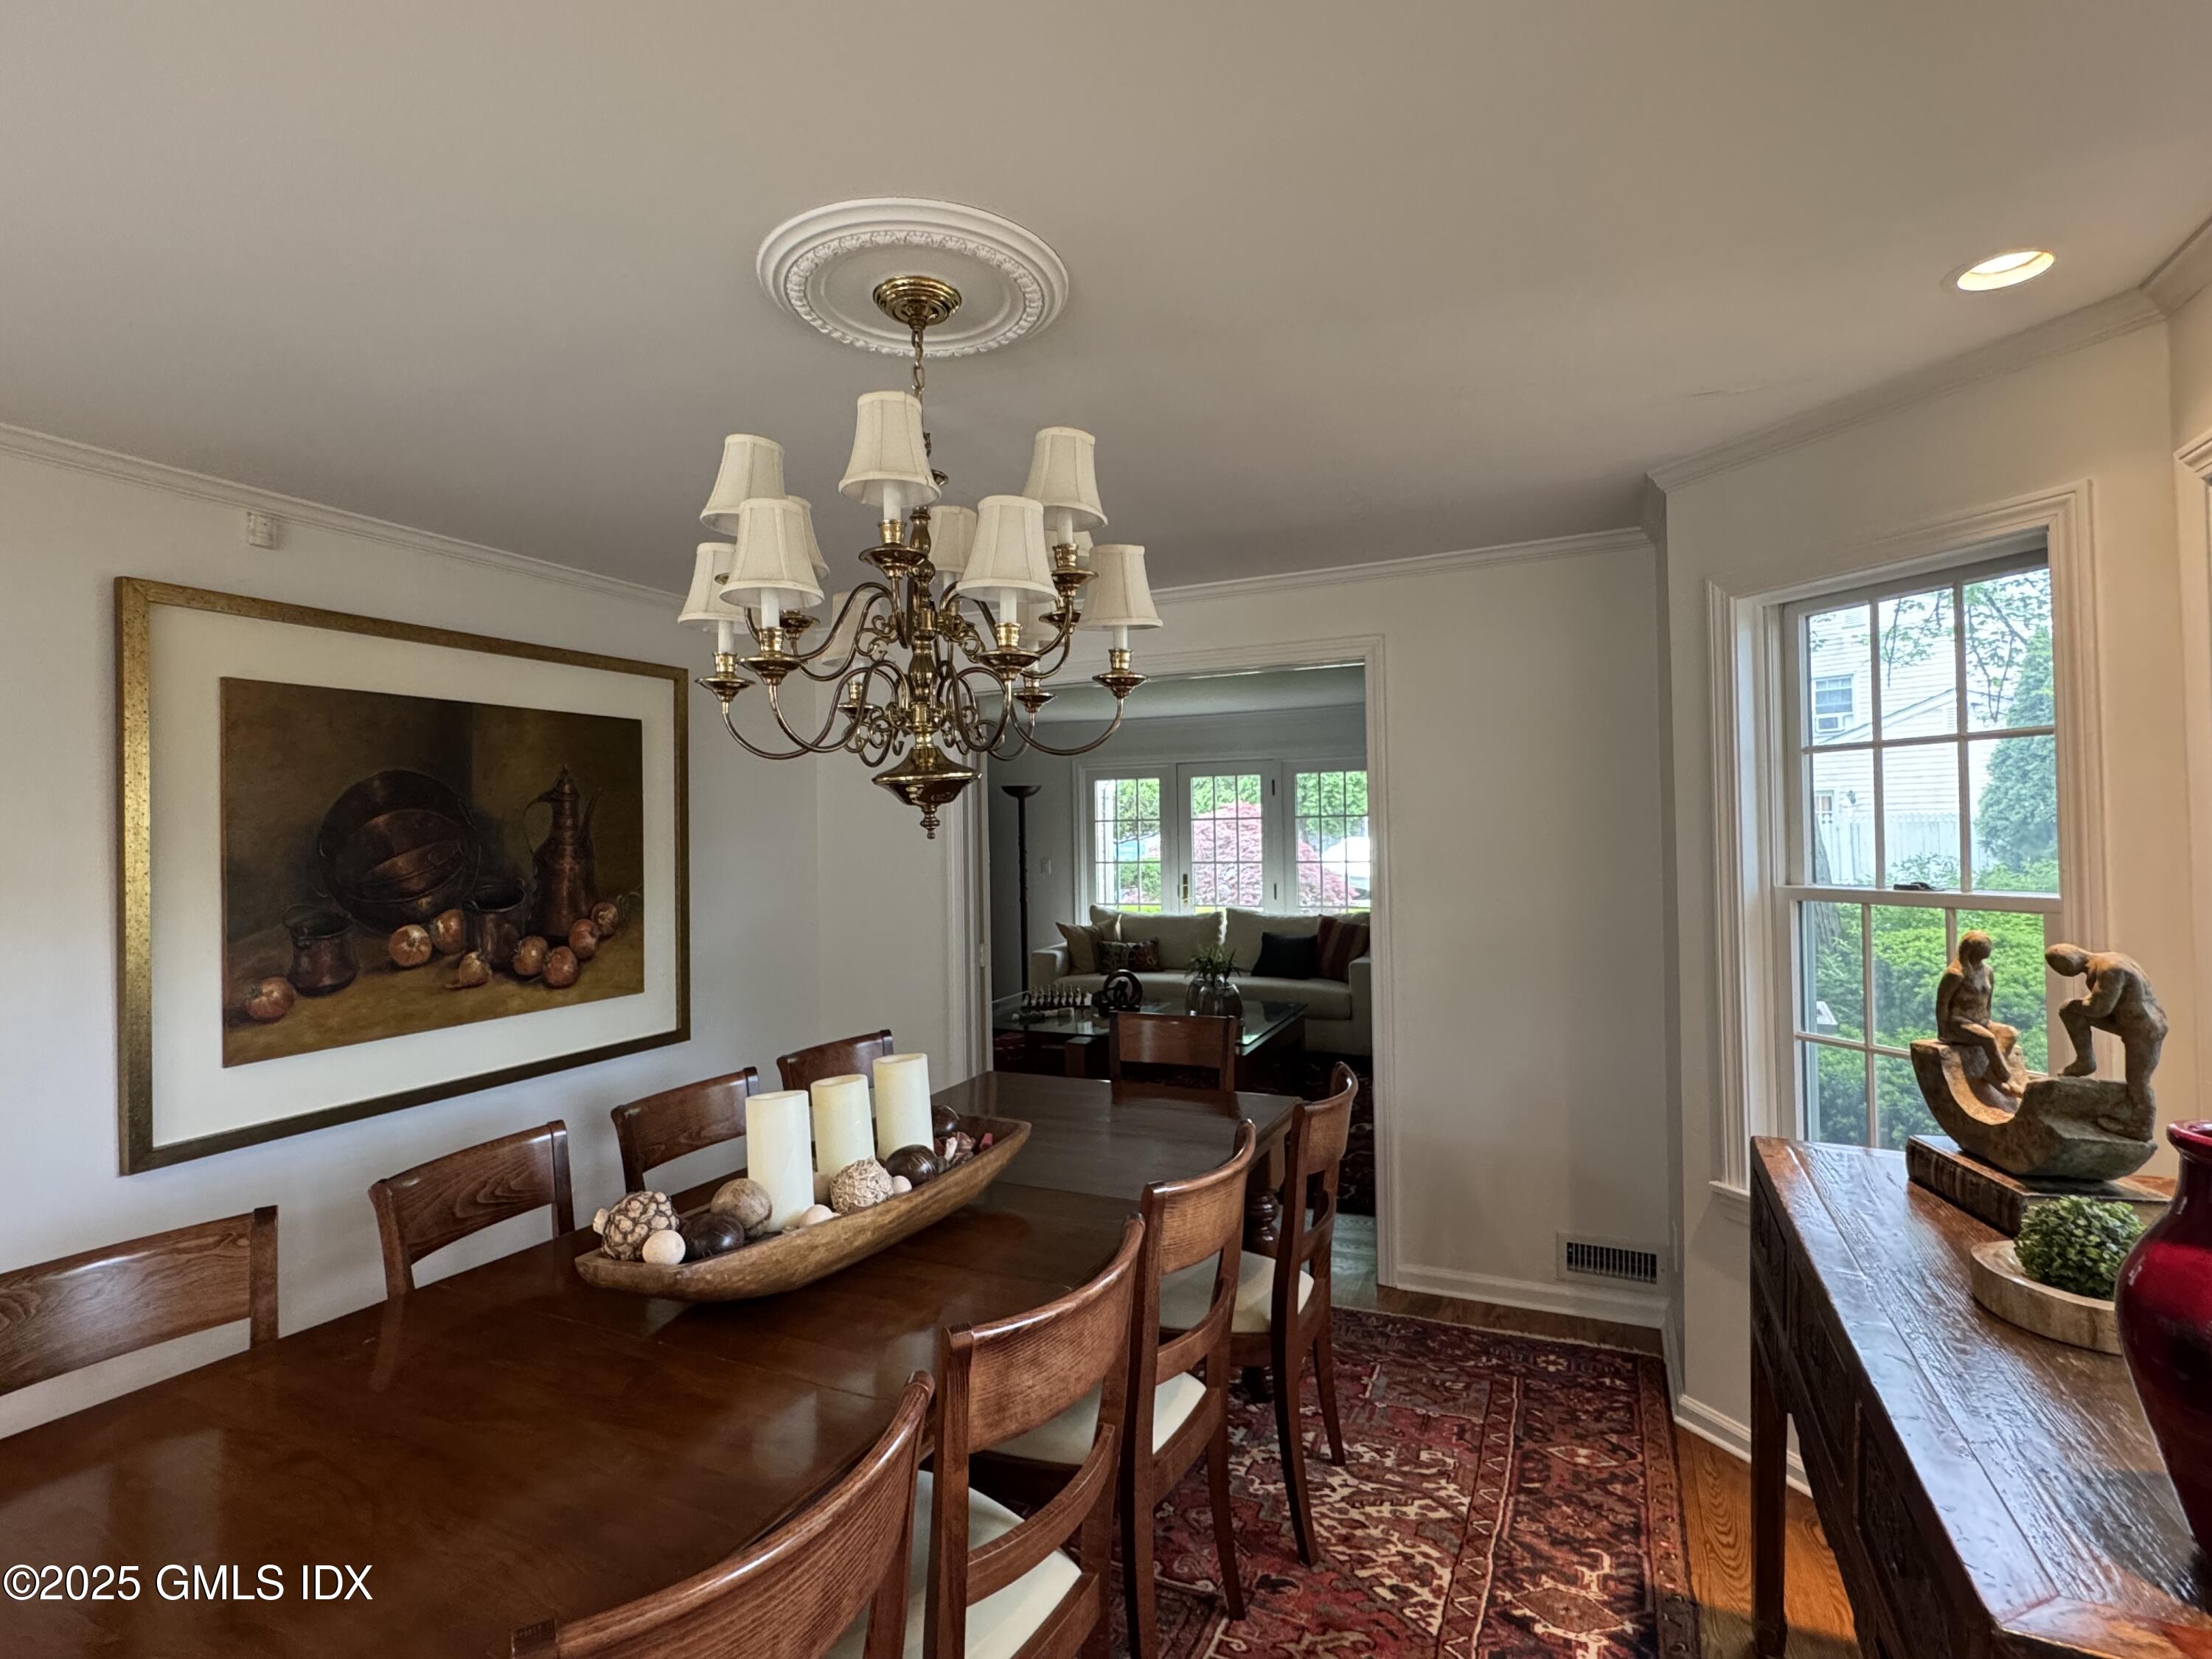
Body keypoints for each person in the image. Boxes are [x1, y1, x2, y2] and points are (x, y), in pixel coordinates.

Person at [2045, 943, 2167, 1113]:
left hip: (2144, 1027)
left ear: (2066, 965)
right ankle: (2085, 1061)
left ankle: (2141, 1124)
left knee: (2138, 1081)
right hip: (2130, 1022)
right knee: (2069, 1011)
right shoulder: (2109, 958)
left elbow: (2099, 1008)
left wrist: (2073, 1005)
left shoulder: (2110, 969)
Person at [1935, 931, 2023, 1096]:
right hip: (1959, 1022)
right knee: (1988, 1039)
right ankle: (2005, 1078)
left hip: (1982, 1021)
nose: (1981, 961)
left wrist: (1988, 1020)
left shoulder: (1988, 971)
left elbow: (1988, 1000)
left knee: (2010, 1033)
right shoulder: (1956, 974)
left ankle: (1992, 1072)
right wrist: (1943, 1030)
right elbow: (1942, 1002)